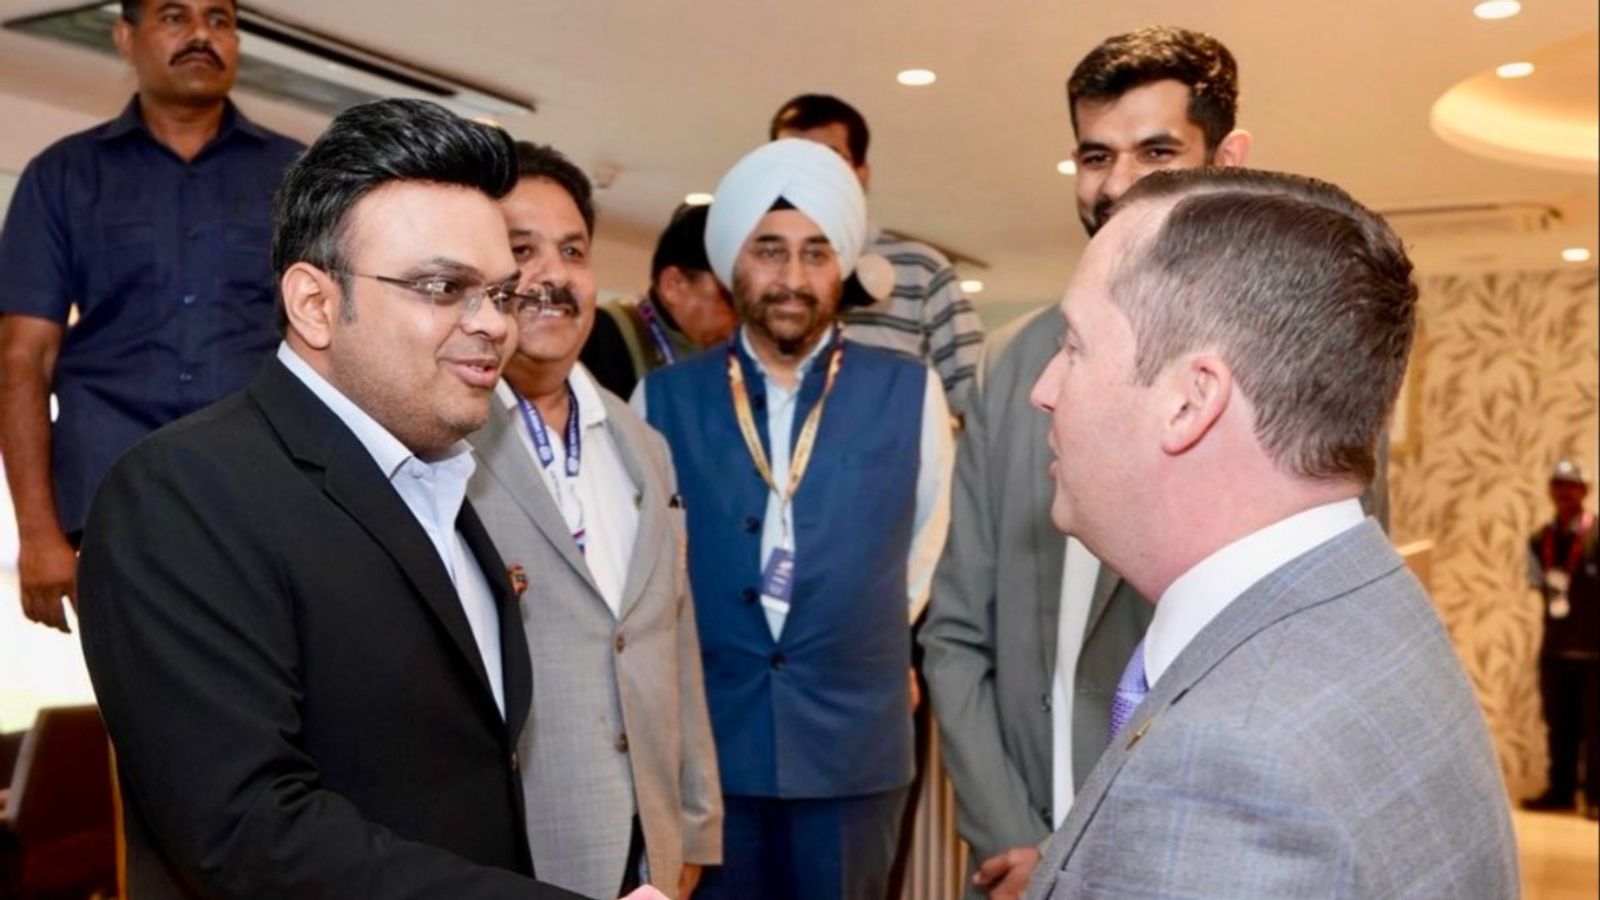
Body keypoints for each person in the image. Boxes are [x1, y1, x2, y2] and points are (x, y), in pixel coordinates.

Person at [76, 98, 664, 900]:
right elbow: (247, 832)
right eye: (441, 286)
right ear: (316, 304)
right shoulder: (181, 494)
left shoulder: (446, 478)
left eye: (497, 291)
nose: (493, 324)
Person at [1021, 167, 1517, 898]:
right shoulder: (1368, 594)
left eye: (1074, 346)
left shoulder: (1225, 771)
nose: (1043, 388)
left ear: (1191, 402)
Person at [920, 26, 1251, 899]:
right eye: (1095, 154)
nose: (1117, 184)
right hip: (1016, 856)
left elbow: (1298, 655)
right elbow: (954, 636)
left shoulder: (1288, 367)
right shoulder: (1018, 366)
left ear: (1229, 157)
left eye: (1157, 150)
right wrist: (1011, 840)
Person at [634, 138, 952, 899]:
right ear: (731, 264)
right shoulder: (664, 400)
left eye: (816, 254)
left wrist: (853, 633)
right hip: (711, 743)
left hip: (854, 743)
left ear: (840, 266)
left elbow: (924, 547)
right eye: (769, 251)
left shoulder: (909, 392)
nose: (792, 278)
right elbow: (654, 566)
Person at [467, 141, 723, 898]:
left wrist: (693, 827)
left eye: (572, 250)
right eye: (522, 250)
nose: (552, 275)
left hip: (651, 856)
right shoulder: (443, 444)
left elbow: (674, 642)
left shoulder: (644, 445)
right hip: (514, 851)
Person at [0, 0, 302, 632]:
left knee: (290, 707)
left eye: (220, 19)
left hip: (270, 491)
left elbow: (342, 339)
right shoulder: (62, 176)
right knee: (149, 721)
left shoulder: (299, 176)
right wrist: (38, 532)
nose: (201, 34)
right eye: (174, 16)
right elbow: (24, 356)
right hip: (115, 497)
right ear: (124, 37)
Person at [769, 93, 984, 420]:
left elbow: (976, 397)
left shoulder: (920, 269)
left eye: (829, 157)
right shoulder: (753, 270)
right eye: (792, 158)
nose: (809, 174)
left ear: (861, 172)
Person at [580, 202, 736, 398]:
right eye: (730, 299)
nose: (742, 318)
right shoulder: (601, 335)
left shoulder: (731, 357)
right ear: (673, 285)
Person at [1522, 458, 1599, 819]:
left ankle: (1595, 798)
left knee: (1596, 727)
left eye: (1571, 485)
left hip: (1594, 649)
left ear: (1585, 491)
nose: (1564, 492)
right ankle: (1561, 791)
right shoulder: (1540, 539)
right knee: (1558, 722)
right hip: (1555, 648)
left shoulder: (1595, 534)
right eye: (1558, 484)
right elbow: (1537, 584)